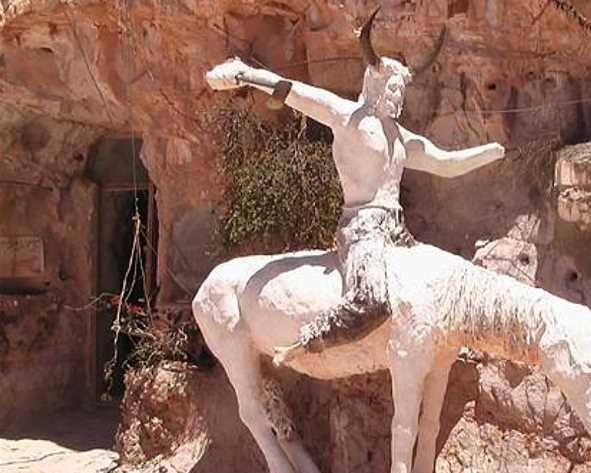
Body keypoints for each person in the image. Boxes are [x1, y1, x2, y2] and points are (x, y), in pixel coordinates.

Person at [205, 8, 506, 359]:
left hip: (398, 231)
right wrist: (244, 74)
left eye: (401, 91)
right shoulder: (347, 117)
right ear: (375, 83)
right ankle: (309, 341)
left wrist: (490, 152)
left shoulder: (401, 136)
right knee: (372, 299)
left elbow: (445, 163)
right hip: (362, 230)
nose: (398, 97)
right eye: (393, 88)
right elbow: (294, 92)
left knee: (435, 282)